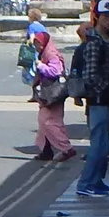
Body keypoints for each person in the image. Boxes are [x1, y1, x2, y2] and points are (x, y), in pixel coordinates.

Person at [67, 2, 109, 199]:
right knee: (98, 144)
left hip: (107, 100)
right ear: (97, 17)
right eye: (107, 16)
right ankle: (86, 183)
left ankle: (96, 181)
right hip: (99, 100)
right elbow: (91, 75)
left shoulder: (108, 40)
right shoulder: (94, 42)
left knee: (103, 146)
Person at [27, 22, 74, 161]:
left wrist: (41, 66)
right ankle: (46, 150)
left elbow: (56, 70)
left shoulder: (50, 54)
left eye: (37, 44)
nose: (36, 46)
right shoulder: (44, 53)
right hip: (48, 93)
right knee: (44, 123)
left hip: (53, 93)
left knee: (48, 122)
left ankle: (66, 148)